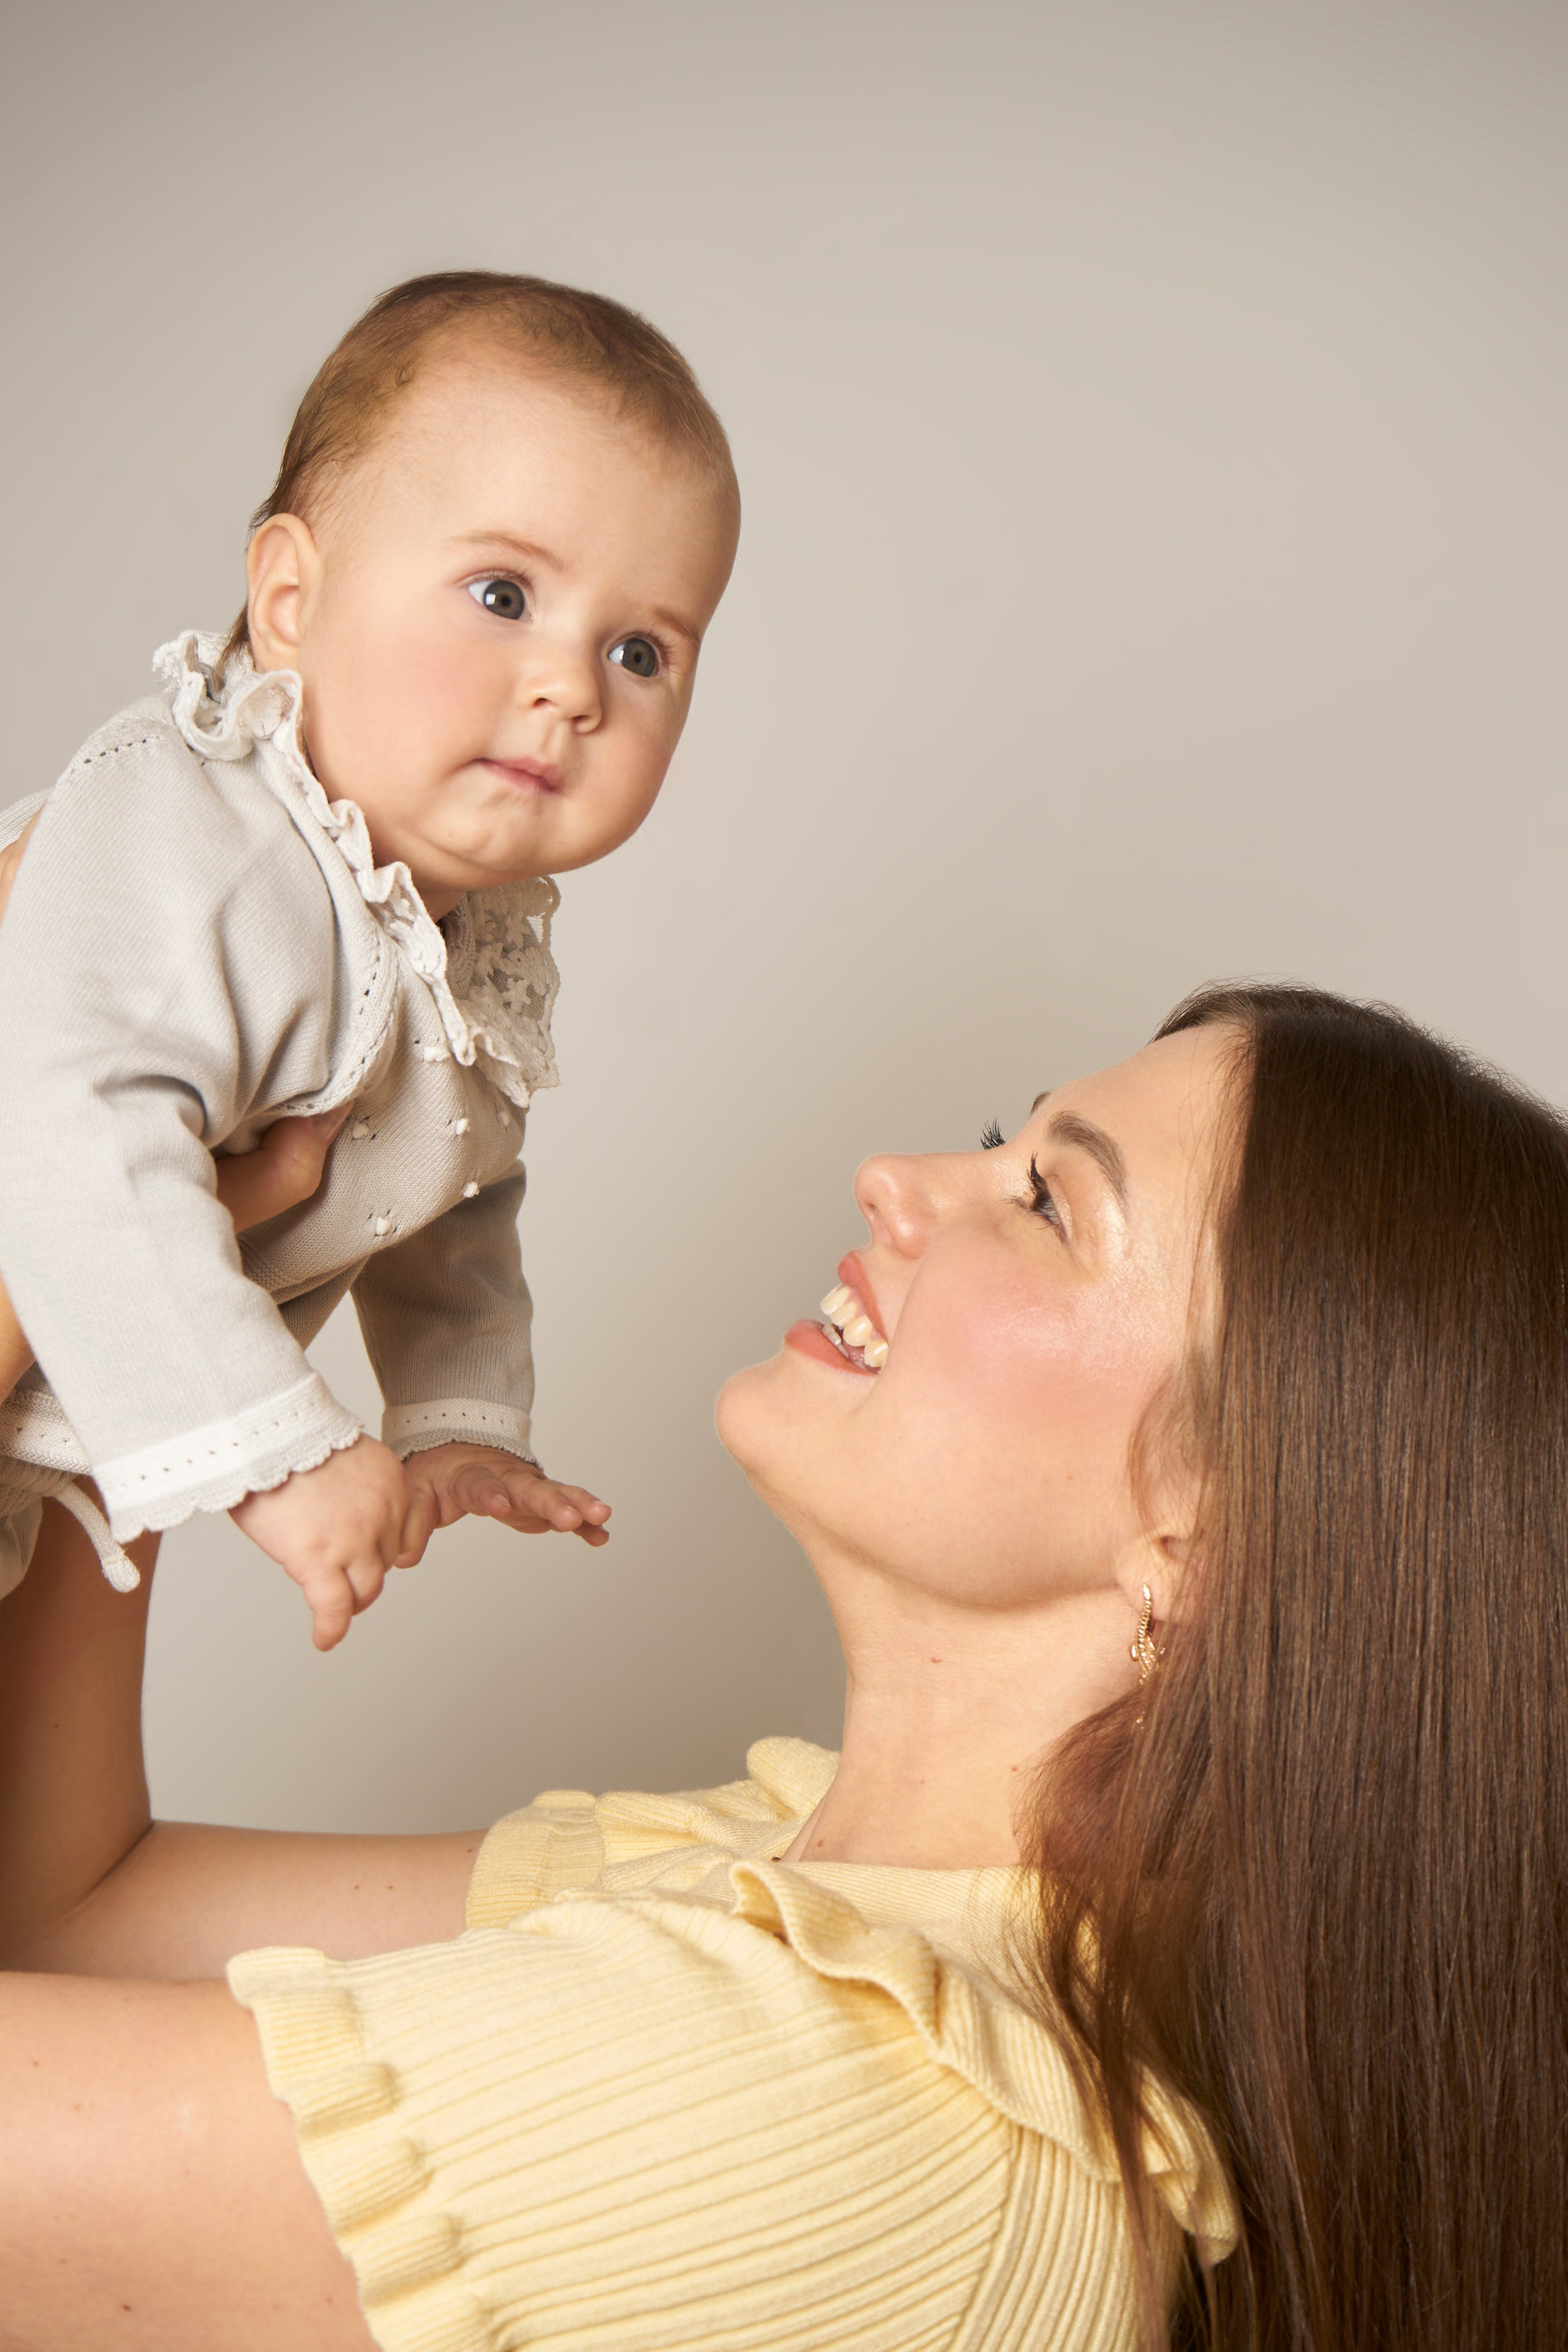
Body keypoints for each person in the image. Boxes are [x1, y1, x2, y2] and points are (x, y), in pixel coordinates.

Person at [2, 982, 1565, 2351]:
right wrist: (159, 1269)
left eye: (1044, 1207)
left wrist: (56, 1159)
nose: (896, 1182)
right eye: (998, 1139)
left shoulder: (870, 2116)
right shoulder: (797, 1887)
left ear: (1203, 1542)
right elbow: (72, 1904)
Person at [0, 270, 740, 1647]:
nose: (571, 686)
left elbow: (448, 1183)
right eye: (502, 592)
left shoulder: (458, 934)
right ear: (289, 597)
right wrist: (275, 1449)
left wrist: (455, 1420)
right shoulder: (199, 836)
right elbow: (70, 1130)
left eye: (640, 650)